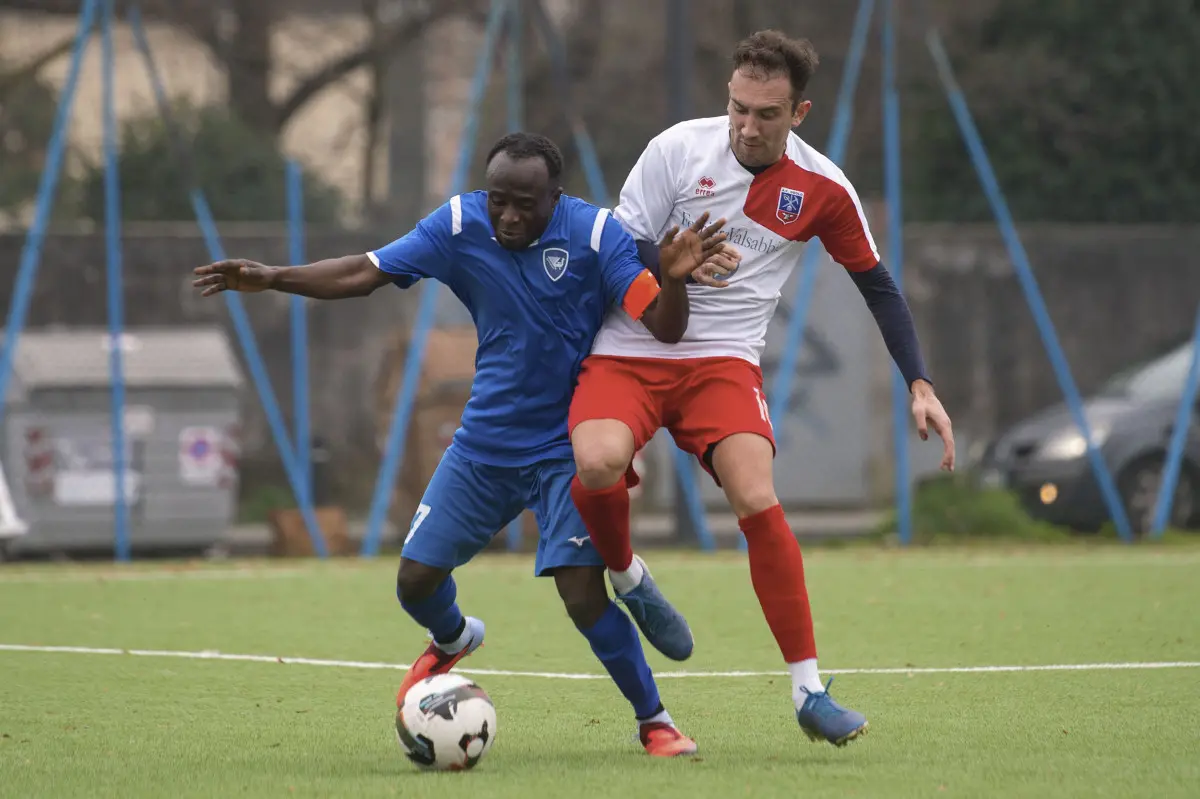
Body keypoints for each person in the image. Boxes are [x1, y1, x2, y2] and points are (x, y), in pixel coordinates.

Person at [192, 132, 729, 757]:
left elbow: (664, 327)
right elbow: (365, 271)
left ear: (555, 198)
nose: (508, 216)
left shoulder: (594, 235)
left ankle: (655, 720)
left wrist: (674, 280)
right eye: (499, 200)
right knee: (415, 581)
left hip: (566, 446)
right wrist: (273, 277)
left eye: (525, 204)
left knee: (582, 596)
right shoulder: (457, 224)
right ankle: (453, 639)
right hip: (485, 445)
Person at [567, 31, 957, 747]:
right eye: (738, 108)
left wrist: (920, 381)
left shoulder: (822, 188)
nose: (747, 126)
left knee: (756, 494)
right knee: (596, 463)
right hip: (632, 345)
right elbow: (615, 247)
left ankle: (809, 690)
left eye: (766, 114)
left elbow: (876, 284)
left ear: (798, 113)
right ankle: (627, 575)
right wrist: (669, 260)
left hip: (723, 363)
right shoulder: (677, 149)